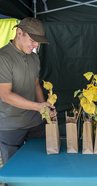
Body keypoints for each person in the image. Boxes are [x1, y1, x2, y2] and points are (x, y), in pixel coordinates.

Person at [0, 17, 54, 165]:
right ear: (19, 33)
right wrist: (37, 107)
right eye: (32, 40)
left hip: (34, 123)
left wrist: (44, 108)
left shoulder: (34, 58)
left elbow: (36, 84)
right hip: (10, 125)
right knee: (14, 172)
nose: (36, 45)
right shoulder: (3, 58)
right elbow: (5, 95)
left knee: (40, 166)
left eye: (38, 41)